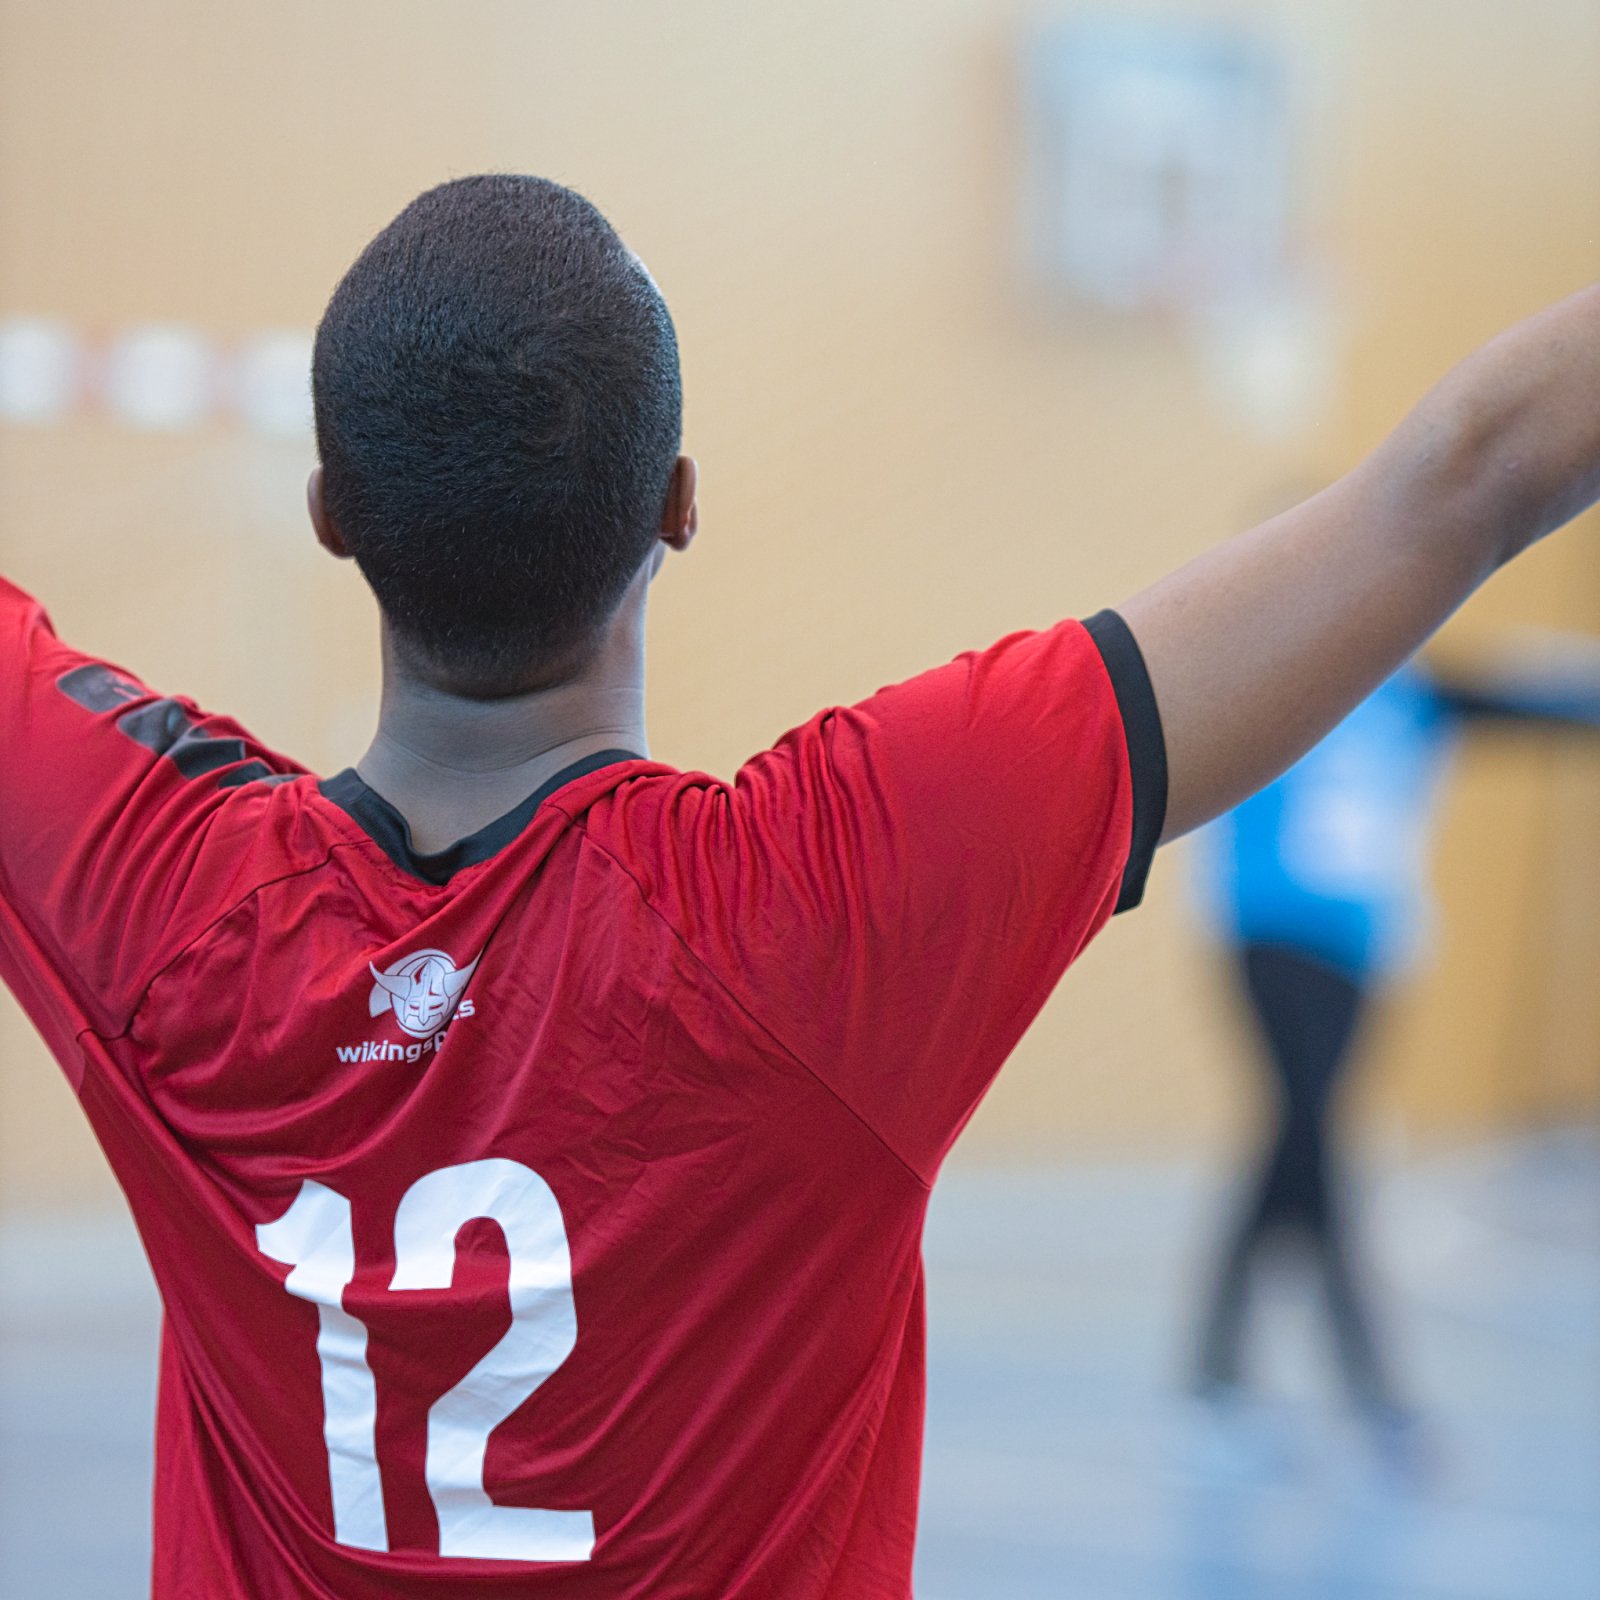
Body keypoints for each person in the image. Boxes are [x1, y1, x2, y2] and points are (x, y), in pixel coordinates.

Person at [0, 174, 1596, 1598]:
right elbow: (1464, 478)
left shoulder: (163, 897)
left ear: (329, 516)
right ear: (678, 505)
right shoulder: (818, 901)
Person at [1189, 653, 1600, 1469]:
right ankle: (1367, 1394)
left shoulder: (1416, 695)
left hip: (1359, 950)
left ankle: (1217, 1386)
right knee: (1312, 1145)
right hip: (1271, 934)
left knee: (1293, 1153)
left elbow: (1545, 702)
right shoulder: (1279, 677)